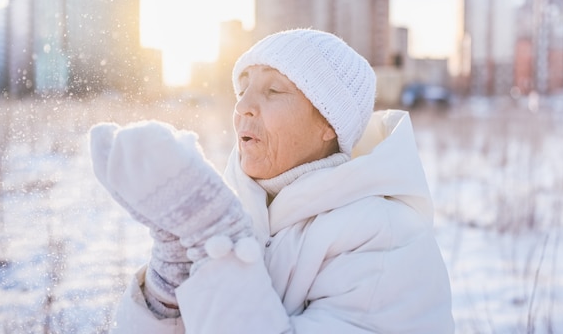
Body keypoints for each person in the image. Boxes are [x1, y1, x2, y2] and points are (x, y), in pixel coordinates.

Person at [89, 28, 454, 333]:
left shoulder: (387, 238)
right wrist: (167, 283)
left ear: (329, 123)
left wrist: (220, 249)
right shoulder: (237, 207)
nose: (242, 106)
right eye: (242, 89)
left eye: (273, 91)